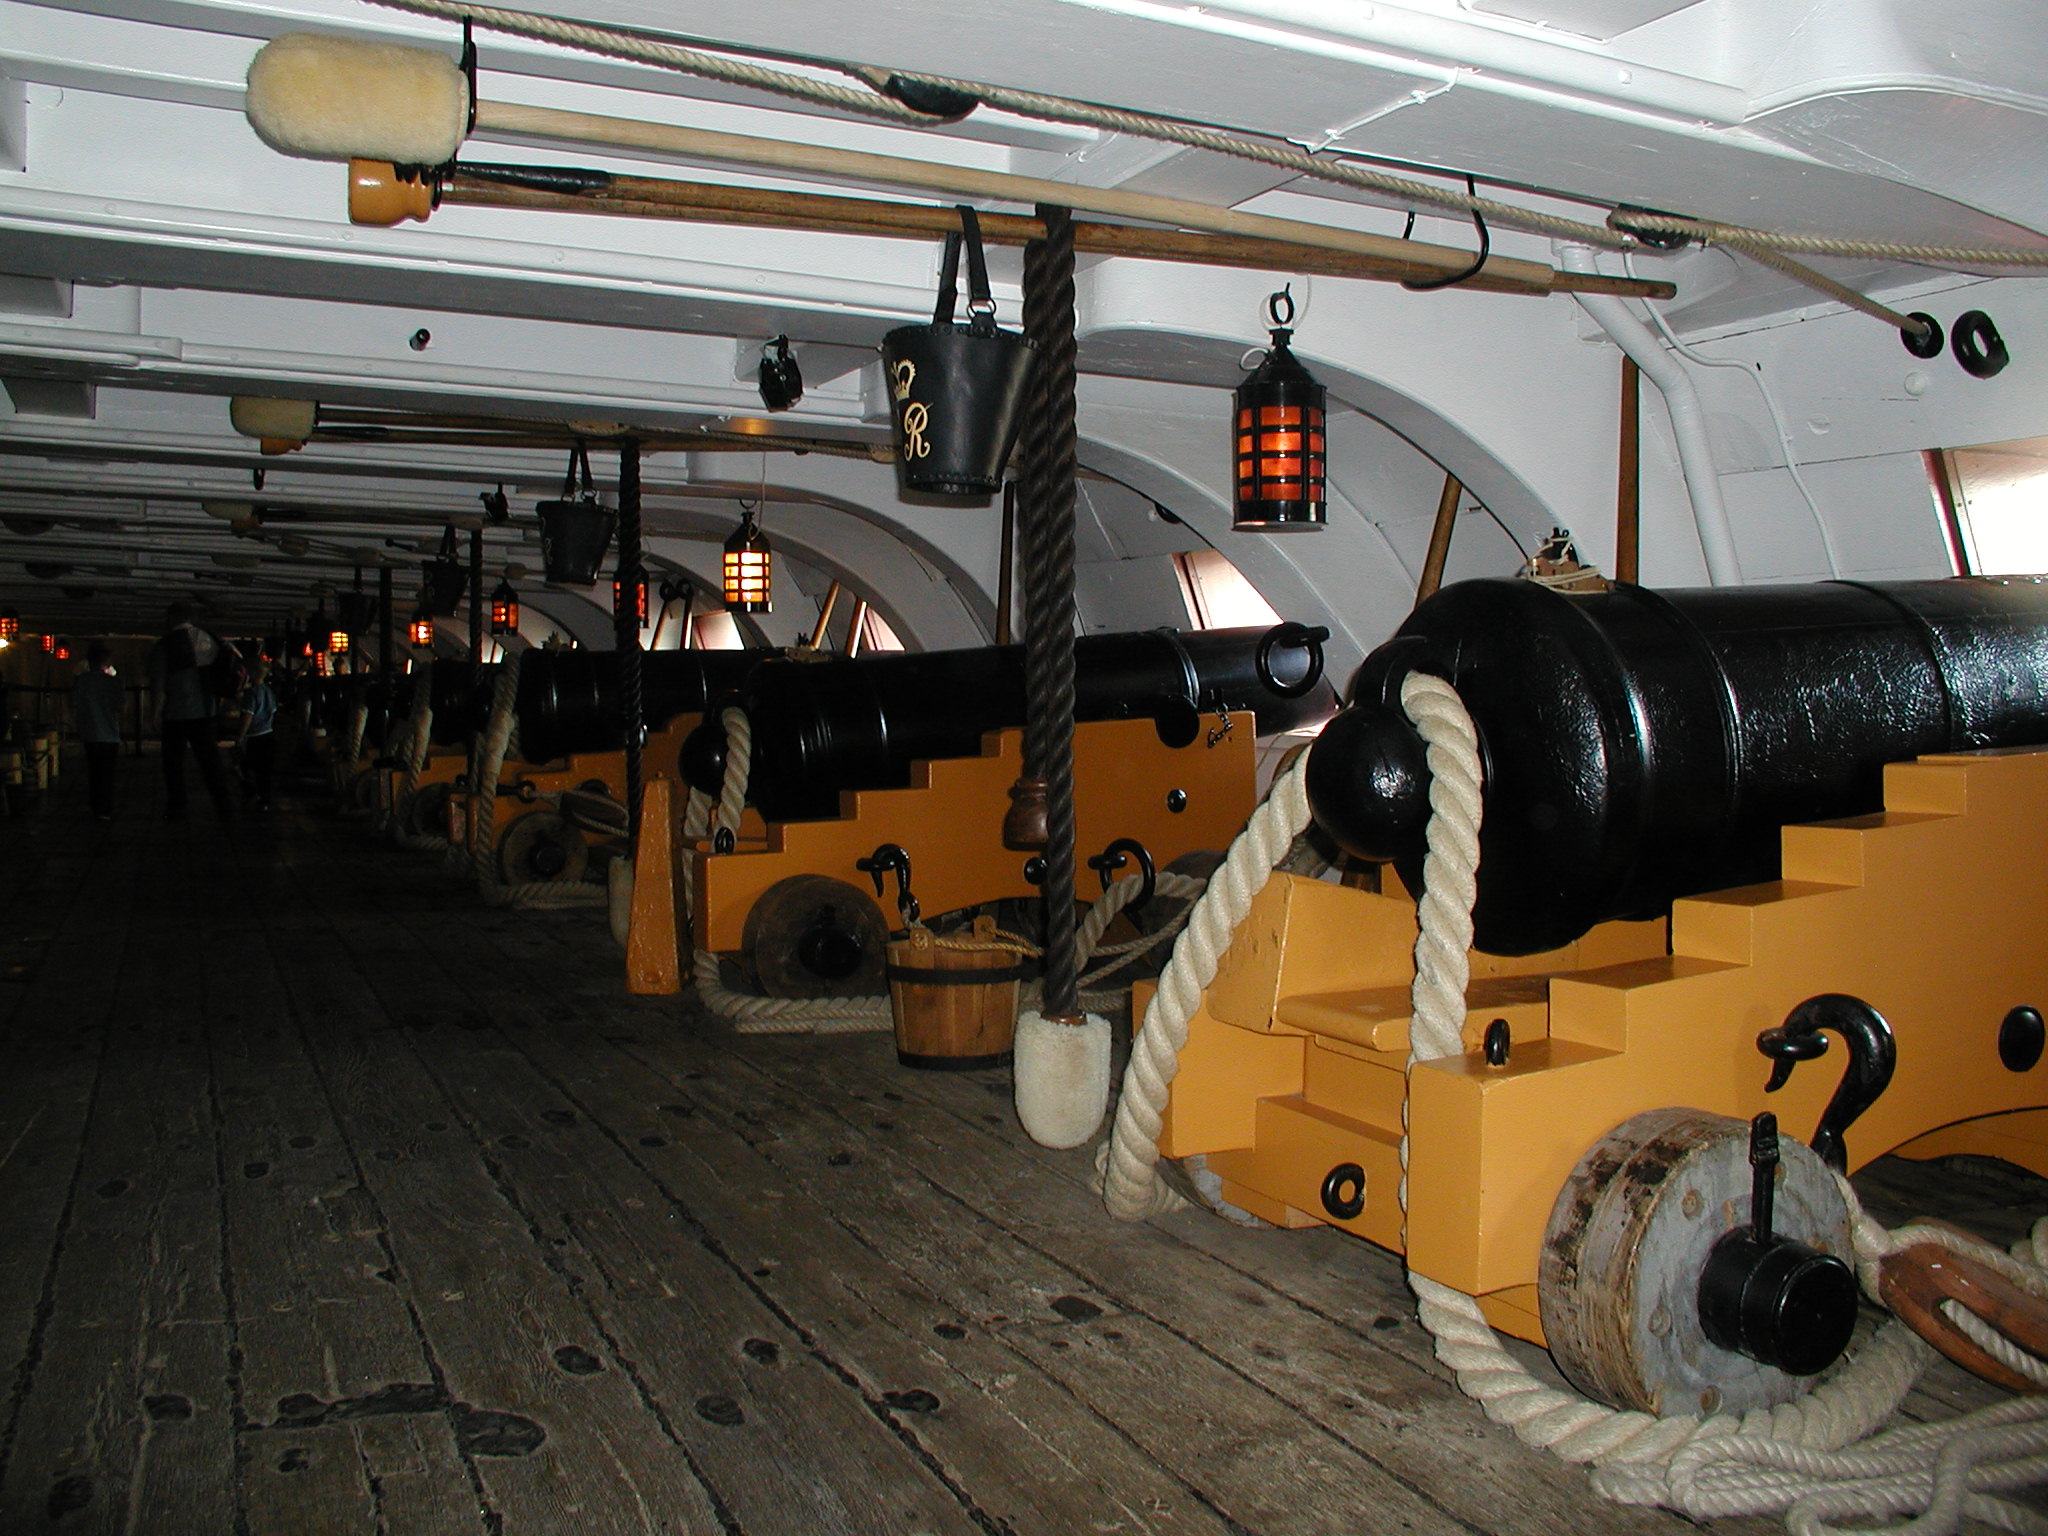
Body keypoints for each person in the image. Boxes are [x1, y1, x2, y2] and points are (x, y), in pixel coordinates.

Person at [148, 601, 238, 820]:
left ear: (171, 618)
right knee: (210, 761)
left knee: (173, 762)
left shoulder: (165, 645)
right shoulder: (211, 639)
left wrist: (155, 712)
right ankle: (224, 805)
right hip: (206, 711)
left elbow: (159, 684)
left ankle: (177, 805)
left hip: (176, 712)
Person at [71, 641, 124, 821]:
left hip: (90, 732)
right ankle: (105, 808)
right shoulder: (114, 682)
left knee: (94, 771)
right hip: (110, 734)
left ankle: (96, 805)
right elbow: (121, 706)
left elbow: (76, 704)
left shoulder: (81, 682)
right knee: (107, 773)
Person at [236, 659, 278, 810]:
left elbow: (247, 717)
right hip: (268, 734)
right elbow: (273, 712)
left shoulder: (252, 693)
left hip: (255, 737)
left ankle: (251, 794)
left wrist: (240, 737)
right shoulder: (269, 691)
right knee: (264, 771)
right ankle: (264, 801)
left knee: (245, 768)